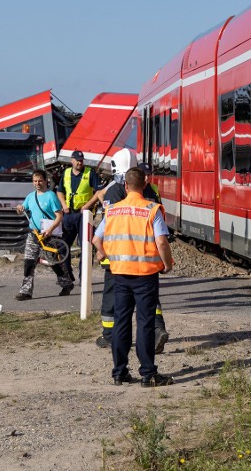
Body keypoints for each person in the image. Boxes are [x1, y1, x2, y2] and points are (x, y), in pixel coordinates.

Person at [92, 166, 174, 387]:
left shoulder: (112, 211)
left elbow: (96, 240)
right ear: (145, 185)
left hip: (119, 274)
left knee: (121, 322)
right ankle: (148, 374)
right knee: (145, 323)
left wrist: (113, 256)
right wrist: (167, 264)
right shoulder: (152, 209)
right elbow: (161, 241)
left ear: (125, 186)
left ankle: (119, 372)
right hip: (145, 276)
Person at [84, 151, 170, 353]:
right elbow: (160, 234)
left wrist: (101, 250)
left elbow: (105, 229)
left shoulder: (113, 191)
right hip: (146, 259)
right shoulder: (148, 191)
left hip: (117, 258)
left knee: (115, 301)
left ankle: (110, 337)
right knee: (149, 300)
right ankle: (157, 330)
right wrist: (166, 262)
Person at [14, 169, 67, 300]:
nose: (37, 183)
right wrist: (19, 208)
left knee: (53, 262)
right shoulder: (30, 196)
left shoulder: (51, 196)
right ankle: (25, 291)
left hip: (49, 235)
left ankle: (66, 283)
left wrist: (50, 230)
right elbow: (22, 210)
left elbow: (59, 216)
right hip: (34, 234)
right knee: (29, 262)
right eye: (35, 181)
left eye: (40, 181)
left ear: (45, 181)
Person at [56, 150, 102, 284]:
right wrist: (63, 204)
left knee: (86, 246)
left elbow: (98, 191)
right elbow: (60, 192)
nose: (80, 162)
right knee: (64, 246)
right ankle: (68, 276)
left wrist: (87, 205)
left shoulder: (90, 173)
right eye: (77, 160)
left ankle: (84, 278)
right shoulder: (66, 174)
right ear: (72, 160)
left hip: (84, 215)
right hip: (69, 214)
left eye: (81, 160)